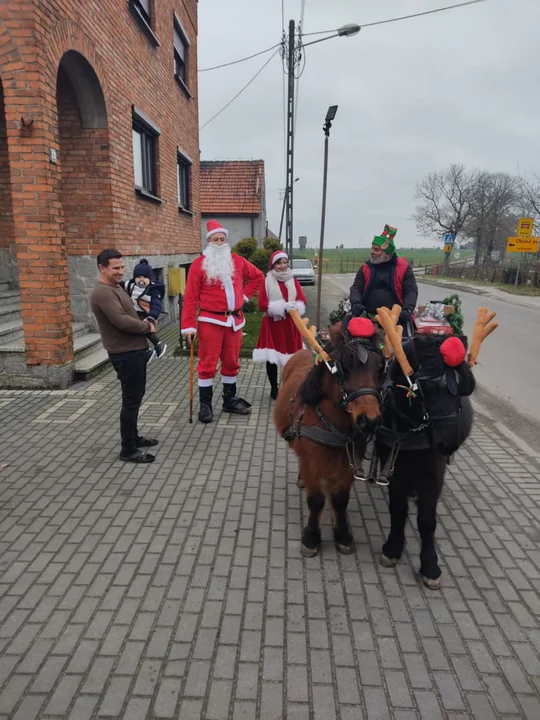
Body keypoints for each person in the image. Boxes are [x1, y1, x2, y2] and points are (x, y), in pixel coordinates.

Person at [181, 220, 264, 423]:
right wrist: (189, 326)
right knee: (208, 364)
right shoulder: (198, 265)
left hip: (234, 320)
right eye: (215, 239)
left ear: (226, 240)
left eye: (222, 239)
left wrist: (243, 297)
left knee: (231, 362)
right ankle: (206, 406)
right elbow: (190, 297)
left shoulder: (237, 260)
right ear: (209, 241)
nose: (219, 242)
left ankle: (229, 400)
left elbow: (258, 277)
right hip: (210, 320)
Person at [90, 248, 158, 464]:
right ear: (102, 268)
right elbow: (121, 321)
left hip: (134, 351)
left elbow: (129, 314)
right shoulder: (102, 292)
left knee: (135, 399)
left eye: (122, 267)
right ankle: (128, 450)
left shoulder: (115, 286)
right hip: (125, 354)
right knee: (130, 401)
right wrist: (146, 327)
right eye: (116, 268)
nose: (121, 271)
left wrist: (145, 322)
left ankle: (134, 438)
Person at [252, 250, 306, 399]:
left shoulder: (292, 280)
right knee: (272, 358)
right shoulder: (267, 280)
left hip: (290, 324)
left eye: (284, 262)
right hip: (273, 324)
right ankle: (274, 387)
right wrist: (281, 307)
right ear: (273, 265)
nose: (282, 266)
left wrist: (294, 306)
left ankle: (289, 386)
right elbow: (262, 304)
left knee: (291, 358)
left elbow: (302, 301)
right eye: (279, 263)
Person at [349, 225, 418, 334]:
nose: (372, 252)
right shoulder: (365, 268)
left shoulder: (403, 268)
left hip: (395, 318)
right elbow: (356, 288)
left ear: (387, 254)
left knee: (407, 345)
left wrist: (407, 310)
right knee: (343, 333)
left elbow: (411, 292)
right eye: (372, 248)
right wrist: (355, 303)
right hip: (367, 314)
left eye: (376, 250)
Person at [124, 258, 167, 362]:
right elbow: (121, 285)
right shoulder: (130, 285)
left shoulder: (152, 290)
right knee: (136, 334)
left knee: (147, 331)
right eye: (138, 277)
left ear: (150, 278)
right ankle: (147, 351)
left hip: (146, 315)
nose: (141, 280)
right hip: (133, 313)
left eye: (144, 277)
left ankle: (158, 345)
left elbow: (156, 304)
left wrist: (152, 317)